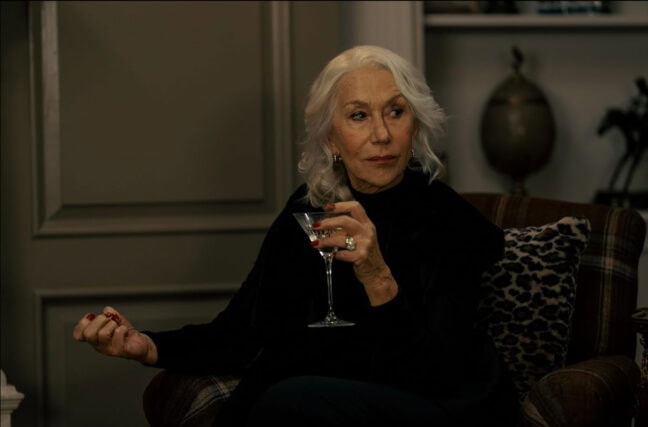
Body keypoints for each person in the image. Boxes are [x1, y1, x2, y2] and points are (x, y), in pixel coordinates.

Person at [73, 45, 518, 426]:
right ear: (331, 139)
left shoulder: (448, 220)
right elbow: (242, 329)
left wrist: (376, 274)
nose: (382, 134)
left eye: (396, 112)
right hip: (341, 400)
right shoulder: (310, 210)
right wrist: (147, 345)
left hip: (446, 406)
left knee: (290, 397)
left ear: (414, 126)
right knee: (271, 385)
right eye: (359, 116)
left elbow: (436, 369)